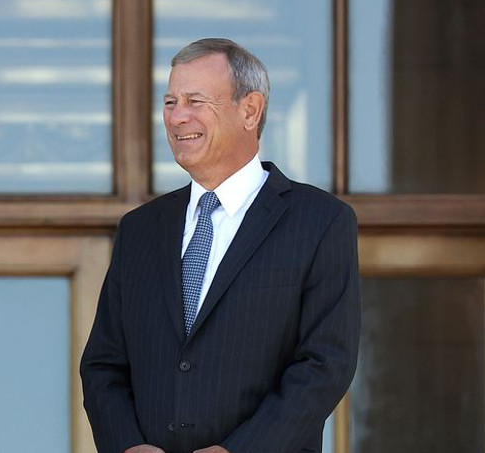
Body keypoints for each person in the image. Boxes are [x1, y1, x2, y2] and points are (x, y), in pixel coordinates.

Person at [80, 38, 360, 453]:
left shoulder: (320, 221)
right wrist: (127, 445)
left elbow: (324, 364)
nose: (177, 117)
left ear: (250, 110)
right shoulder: (139, 229)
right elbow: (104, 363)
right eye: (170, 102)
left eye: (195, 100)